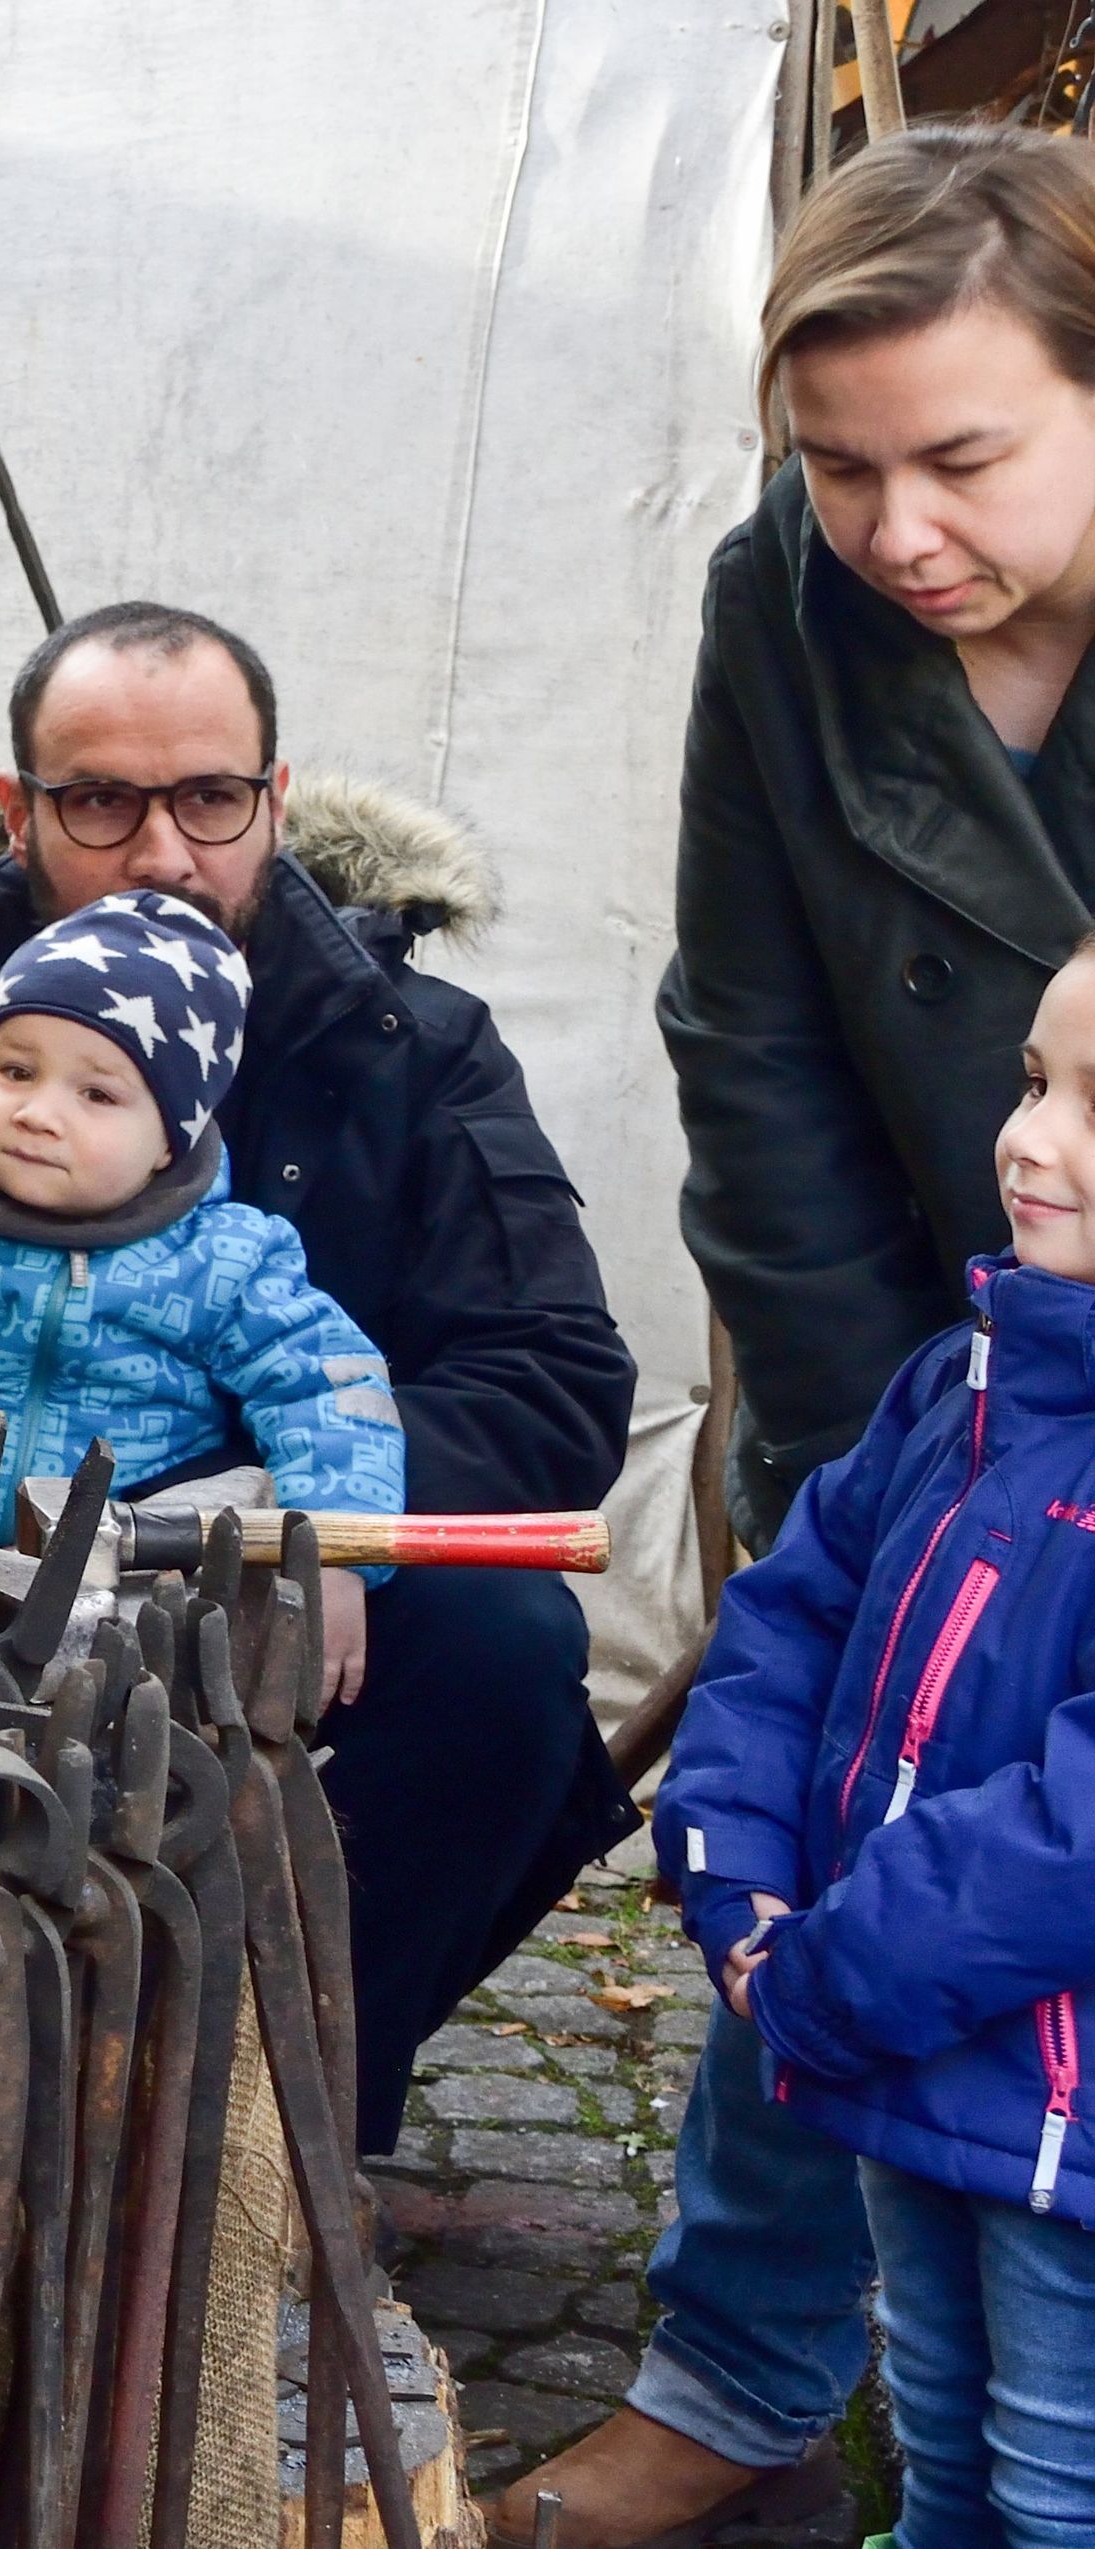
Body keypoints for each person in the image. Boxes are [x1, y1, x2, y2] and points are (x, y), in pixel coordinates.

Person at [0, 598, 634, 2148]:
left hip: (258, 1584)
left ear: (274, 794)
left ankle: (270, 2130)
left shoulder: (410, 1052)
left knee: (503, 1654)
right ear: (19, 812)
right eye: (99, 801)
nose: (163, 852)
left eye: (209, 798)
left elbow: (551, 1386)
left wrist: (257, 1514)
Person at [517, 125, 1095, 2549]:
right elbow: (743, 1033)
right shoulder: (793, 601)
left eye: (960, 457)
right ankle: (743, 2380)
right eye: (836, 463)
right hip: (907, 1347)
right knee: (842, 1820)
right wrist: (897, 1460)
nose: (892, 525)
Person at [652, 930, 1095, 2549]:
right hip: (904, 2059)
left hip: (1065, 2118)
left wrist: (829, 1973)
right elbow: (787, 1629)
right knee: (949, 2465)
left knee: (1060, 2493)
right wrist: (739, 1875)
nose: (1028, 1135)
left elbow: (1074, 1826)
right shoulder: (959, 1387)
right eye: (1036, 1080)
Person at [0, 887, 408, 1693]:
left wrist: (339, 1563)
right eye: (15, 1069)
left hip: (130, 1607)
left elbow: (333, 1397)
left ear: (168, 1142)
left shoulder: (228, 1261)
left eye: (98, 1093)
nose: (38, 1112)